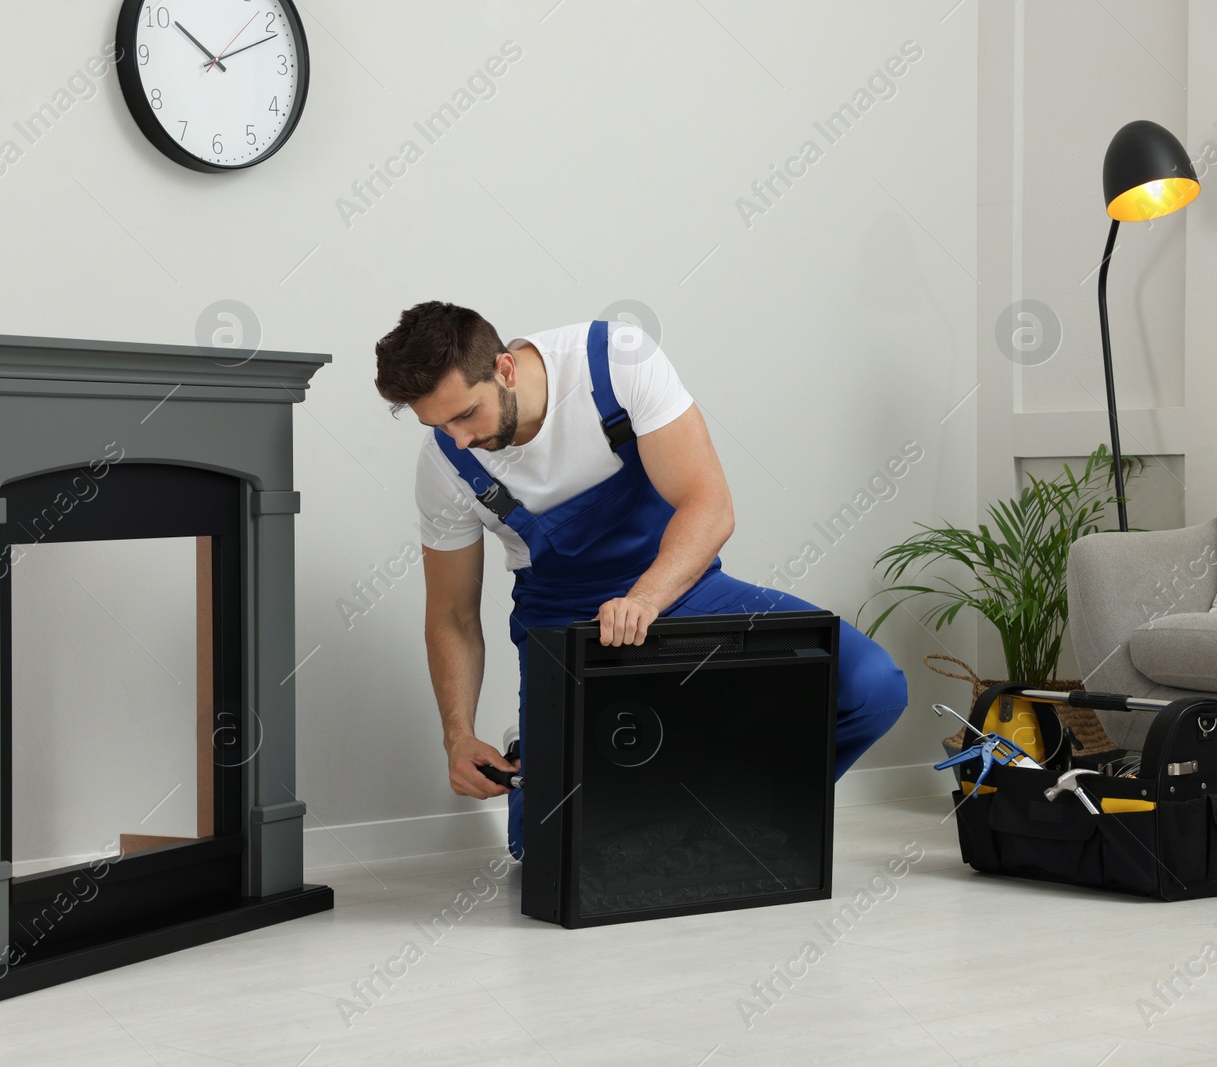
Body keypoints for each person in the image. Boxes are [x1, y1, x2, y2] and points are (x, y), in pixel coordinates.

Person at [373, 301, 907, 860]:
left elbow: (710, 506)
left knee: (872, 686)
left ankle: (739, 807)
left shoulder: (615, 362)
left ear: (505, 370)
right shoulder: (444, 467)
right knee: (548, 852)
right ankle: (547, 748)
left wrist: (646, 597)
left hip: (680, 587)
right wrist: (457, 735)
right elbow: (453, 616)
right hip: (565, 620)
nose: (457, 439)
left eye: (466, 415)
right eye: (438, 425)